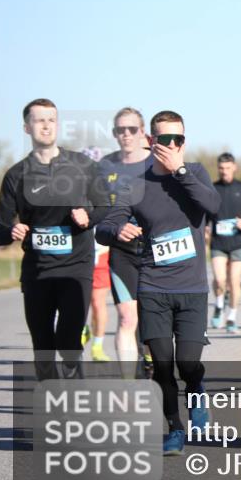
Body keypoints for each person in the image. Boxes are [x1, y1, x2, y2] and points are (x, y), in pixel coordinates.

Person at [96, 110, 221, 455]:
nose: (170, 145)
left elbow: (212, 205)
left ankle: (197, 390)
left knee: (188, 363)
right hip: (153, 286)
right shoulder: (136, 185)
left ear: (184, 142)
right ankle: (175, 428)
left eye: (177, 139)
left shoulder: (194, 173)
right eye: (164, 139)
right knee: (162, 364)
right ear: (151, 142)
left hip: (192, 287)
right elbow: (103, 228)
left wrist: (179, 171)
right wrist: (117, 229)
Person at [0, 99, 109, 380]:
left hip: (76, 269)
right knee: (43, 347)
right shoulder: (16, 175)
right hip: (37, 272)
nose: (46, 125)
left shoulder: (82, 165)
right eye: (39, 120)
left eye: (51, 119)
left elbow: (105, 205)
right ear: (26, 127)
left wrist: (88, 217)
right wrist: (11, 231)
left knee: (69, 342)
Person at [98, 107, 153, 376]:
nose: (127, 134)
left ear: (143, 132)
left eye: (132, 129)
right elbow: (96, 210)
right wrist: (116, 227)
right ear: (114, 133)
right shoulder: (104, 167)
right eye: (121, 129)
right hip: (122, 253)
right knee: (127, 317)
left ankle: (154, 364)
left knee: (154, 320)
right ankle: (130, 388)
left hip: (156, 252)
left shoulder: (157, 163)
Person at [209, 153, 241, 334]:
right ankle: (219, 305)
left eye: (228, 168)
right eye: (221, 168)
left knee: (235, 281)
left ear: (234, 167)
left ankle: (232, 317)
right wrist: (205, 226)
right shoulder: (212, 188)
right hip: (218, 242)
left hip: (238, 241)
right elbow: (205, 212)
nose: (224, 172)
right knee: (220, 279)